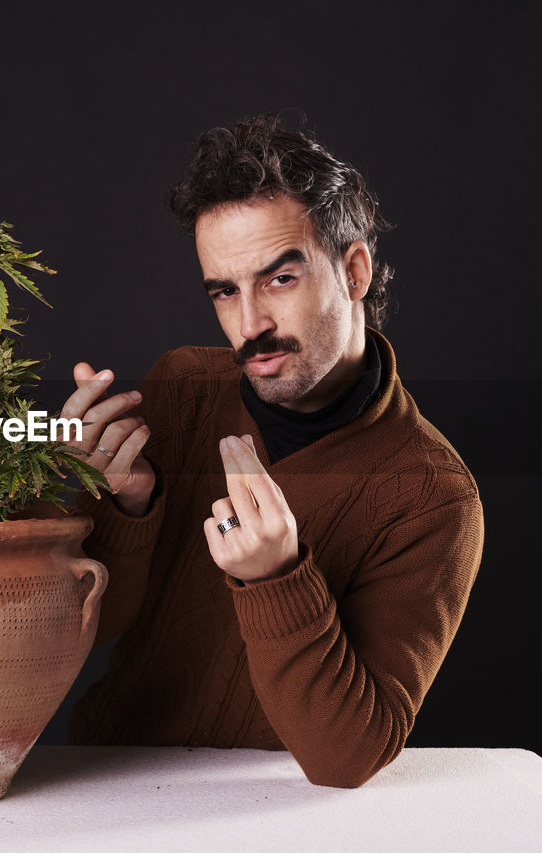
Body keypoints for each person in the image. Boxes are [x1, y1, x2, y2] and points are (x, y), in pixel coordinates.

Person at [58, 114, 484, 788]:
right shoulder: (181, 390)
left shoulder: (432, 496)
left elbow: (348, 756)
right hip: (97, 786)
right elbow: (76, 634)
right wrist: (127, 503)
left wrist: (276, 577)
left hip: (270, 818)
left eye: (279, 279)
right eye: (224, 291)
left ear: (354, 270)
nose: (249, 324)